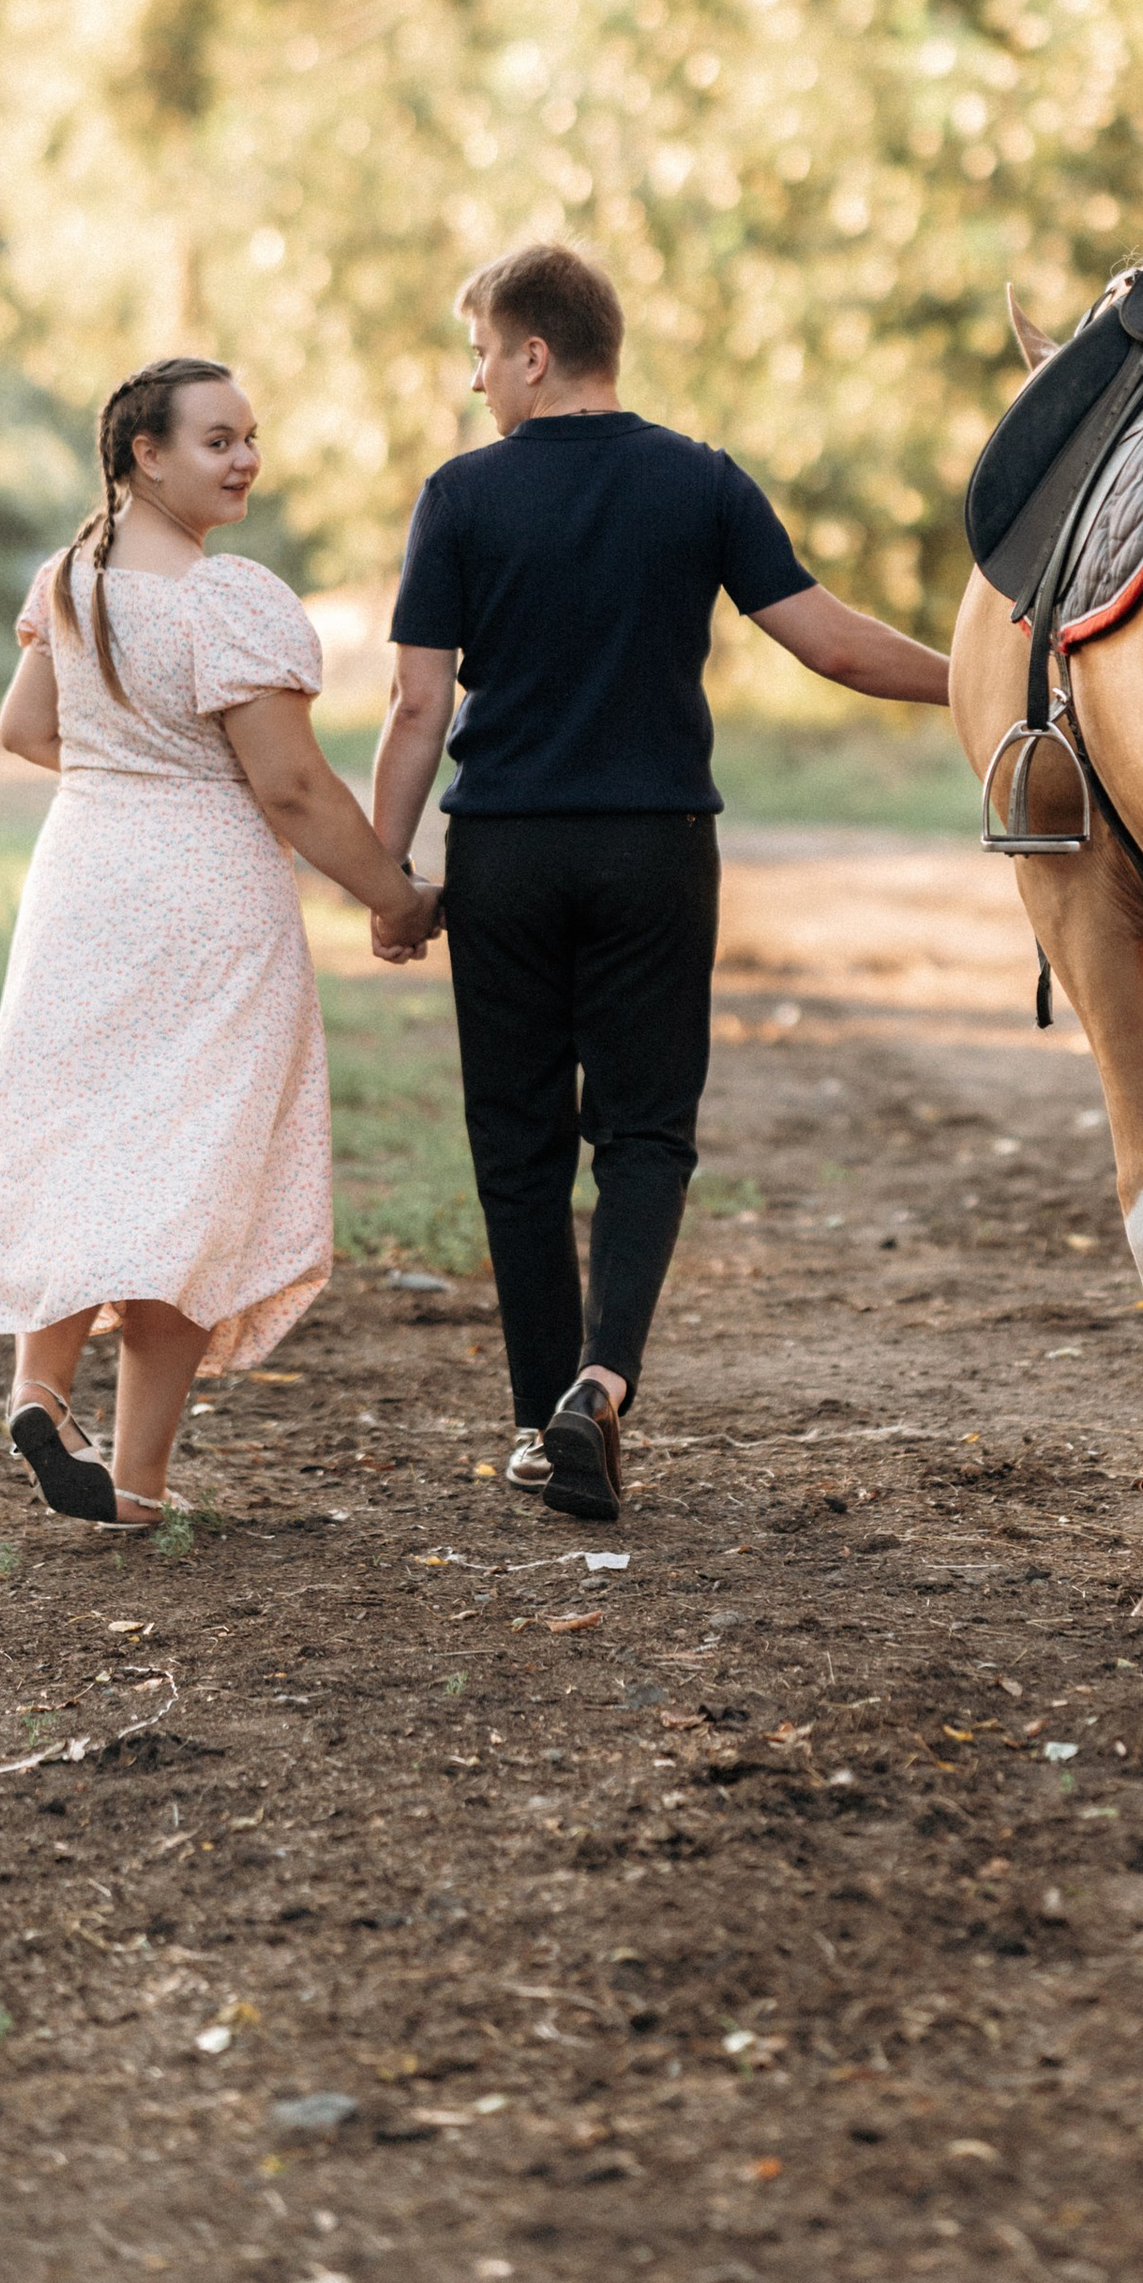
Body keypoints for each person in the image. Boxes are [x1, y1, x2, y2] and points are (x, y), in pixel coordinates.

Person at [368, 243, 949, 1522]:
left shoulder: (459, 499)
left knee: (515, 1141)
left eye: (480, 355)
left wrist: (387, 874)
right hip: (655, 847)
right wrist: (982, 684)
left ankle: (537, 1423)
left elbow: (417, 706)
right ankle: (602, 1387)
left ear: (533, 353)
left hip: (506, 853)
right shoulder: (700, 482)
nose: (475, 385)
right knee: (646, 1131)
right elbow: (836, 648)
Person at [0, 356, 440, 1529]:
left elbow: (26, 727)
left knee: (82, 1136)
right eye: (219, 440)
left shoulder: (70, 577)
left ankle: (40, 1390)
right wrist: (392, 895)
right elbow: (289, 787)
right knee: (195, 1167)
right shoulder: (225, 598)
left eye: (248, 438)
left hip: (83, 881)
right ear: (147, 454)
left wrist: (132, 776)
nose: (246, 460)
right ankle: (133, 1480)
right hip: (206, 906)